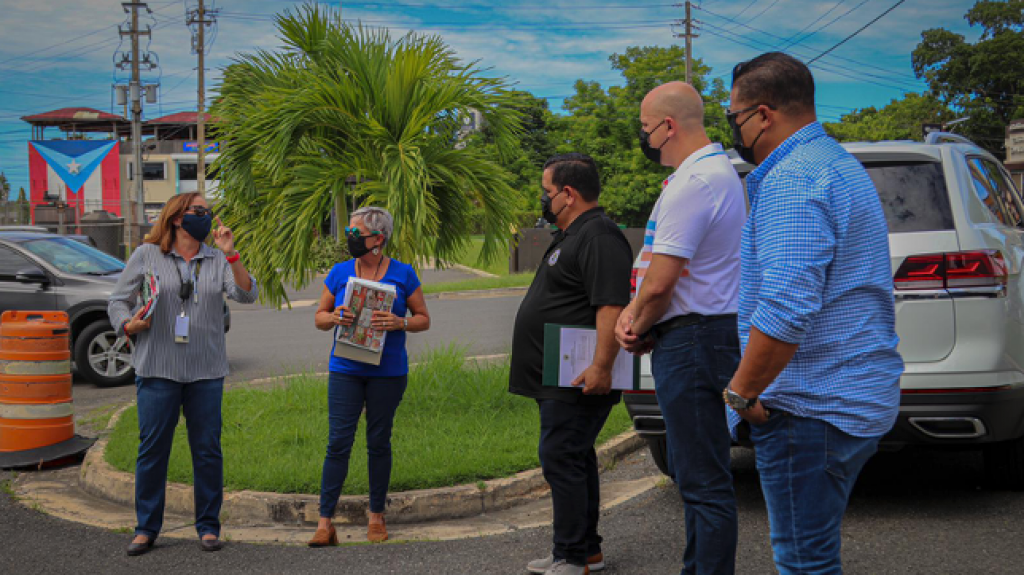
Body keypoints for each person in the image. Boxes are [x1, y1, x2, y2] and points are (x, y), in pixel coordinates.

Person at [722, 52, 903, 574]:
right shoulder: (835, 163)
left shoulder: (794, 179)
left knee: (804, 563)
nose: (733, 129)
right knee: (813, 557)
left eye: (734, 118)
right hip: (846, 397)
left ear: (763, 114)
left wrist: (741, 392)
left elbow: (784, 309)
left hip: (811, 408)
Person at [614, 81, 746, 575]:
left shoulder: (696, 183)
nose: (644, 139)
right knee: (702, 476)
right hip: (706, 334)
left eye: (645, 129)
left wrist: (633, 323)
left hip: (692, 340)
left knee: (701, 479)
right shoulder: (715, 174)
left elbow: (660, 283)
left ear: (668, 126)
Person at [107, 192, 259, 556]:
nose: (206, 217)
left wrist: (231, 253)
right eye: (198, 211)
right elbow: (117, 301)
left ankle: (208, 526)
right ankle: (146, 528)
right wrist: (127, 324)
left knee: (207, 450)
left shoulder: (216, 259)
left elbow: (247, 294)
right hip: (158, 367)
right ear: (177, 218)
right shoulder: (147, 255)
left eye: (208, 212)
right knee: (153, 449)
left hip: (205, 371)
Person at [511, 153, 634, 575]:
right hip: (559, 374)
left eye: (547, 192)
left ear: (568, 194)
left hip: (580, 373)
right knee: (574, 457)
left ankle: (571, 555)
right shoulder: (571, 233)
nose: (543, 200)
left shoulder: (599, 234)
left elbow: (610, 305)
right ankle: (585, 548)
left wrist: (602, 366)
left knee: (560, 456)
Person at [309, 206, 430, 546]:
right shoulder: (340, 272)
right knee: (338, 443)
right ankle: (324, 522)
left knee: (378, 442)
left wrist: (400, 322)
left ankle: (376, 516)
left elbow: (423, 318)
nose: (349, 239)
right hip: (346, 369)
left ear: (378, 239)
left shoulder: (404, 275)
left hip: (387, 373)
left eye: (355, 233)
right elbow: (318, 317)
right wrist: (333, 316)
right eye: (348, 232)